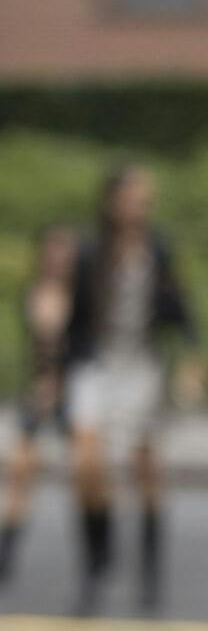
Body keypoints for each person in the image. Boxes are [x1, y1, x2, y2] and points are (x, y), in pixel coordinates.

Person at [65, 165, 205, 615]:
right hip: (97, 364)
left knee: (147, 470)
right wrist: (55, 375)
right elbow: (73, 319)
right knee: (86, 464)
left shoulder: (157, 248)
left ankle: (149, 577)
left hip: (141, 365)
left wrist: (192, 355)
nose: (141, 206)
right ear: (113, 200)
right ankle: (98, 561)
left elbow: (180, 305)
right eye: (134, 197)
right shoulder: (90, 251)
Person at [0, 227, 80, 586]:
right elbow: (38, 349)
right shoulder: (34, 293)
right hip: (39, 390)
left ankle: (94, 551)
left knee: (85, 472)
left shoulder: (84, 296)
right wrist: (43, 387)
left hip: (75, 391)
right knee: (21, 470)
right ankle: (7, 551)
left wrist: (60, 385)